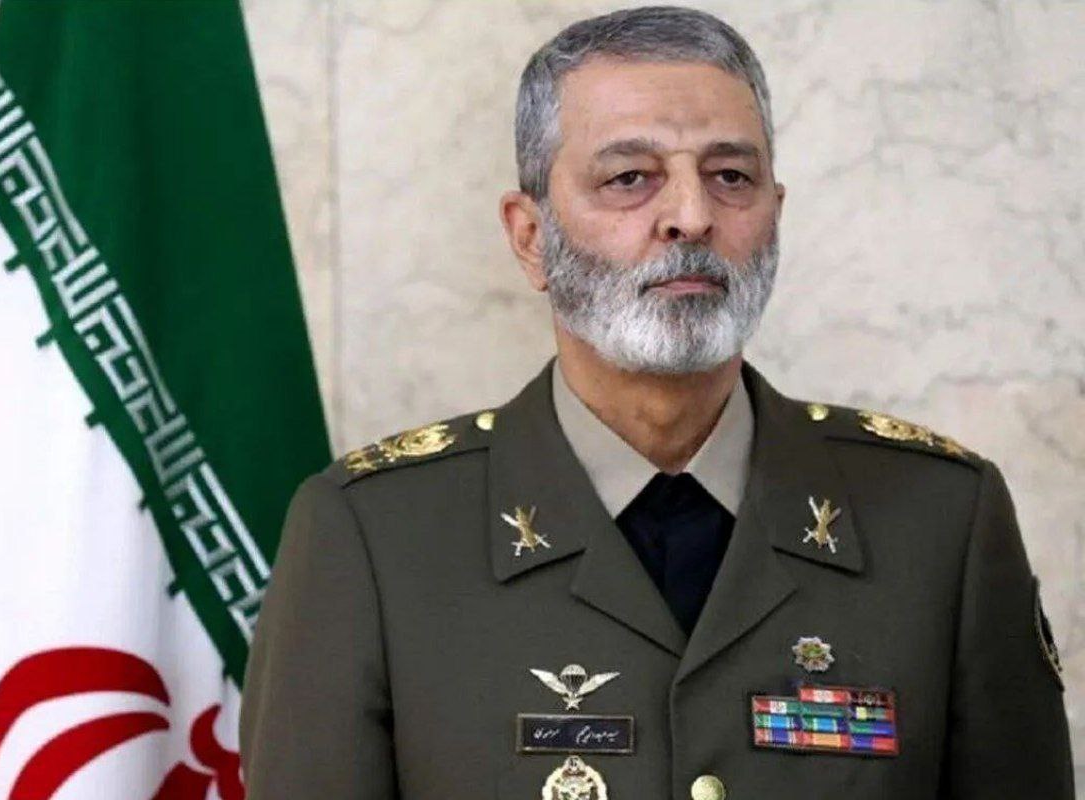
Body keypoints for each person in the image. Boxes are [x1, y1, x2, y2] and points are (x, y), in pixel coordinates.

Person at [239, 6, 1073, 799]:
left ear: (775, 215)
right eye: (630, 178)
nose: (691, 216)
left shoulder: (939, 522)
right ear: (530, 236)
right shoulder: (374, 537)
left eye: (731, 176)